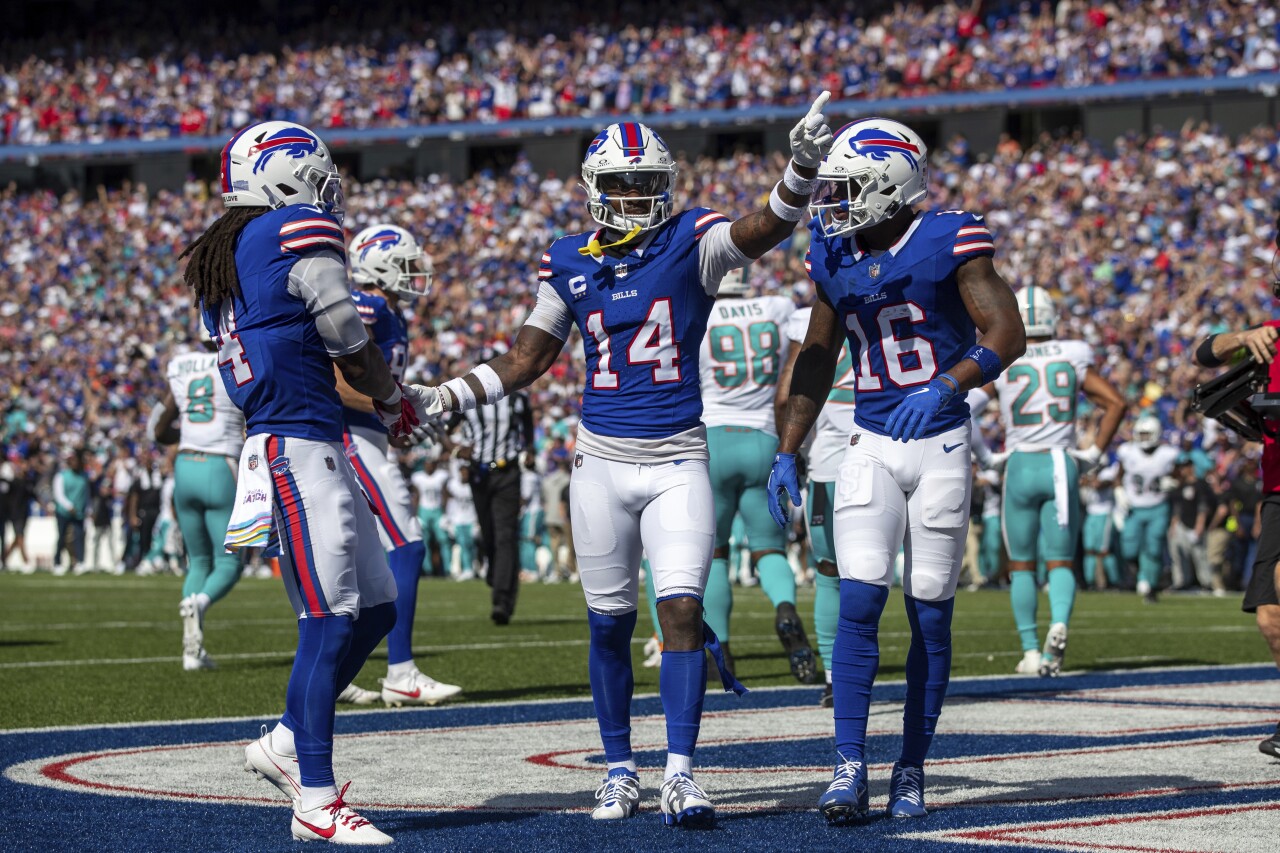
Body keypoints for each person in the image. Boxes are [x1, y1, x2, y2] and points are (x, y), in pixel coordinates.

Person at [408, 97, 835, 826]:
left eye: (647, 181)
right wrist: (450, 394)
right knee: (607, 622)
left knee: (681, 610)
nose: (637, 195)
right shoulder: (570, 259)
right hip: (601, 459)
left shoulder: (691, 239)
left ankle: (680, 771)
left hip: (677, 457)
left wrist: (798, 169)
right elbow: (526, 357)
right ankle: (616, 768)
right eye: (625, 183)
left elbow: (764, 228)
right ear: (596, 187)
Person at [768, 116, 1026, 823]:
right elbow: (817, 357)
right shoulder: (833, 251)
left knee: (930, 611)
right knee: (857, 599)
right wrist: (787, 447)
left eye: (849, 186)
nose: (833, 200)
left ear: (891, 183)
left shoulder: (949, 237)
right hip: (870, 439)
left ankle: (910, 764)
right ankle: (849, 763)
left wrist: (950, 383)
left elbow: (1008, 332)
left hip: (941, 440)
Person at [187, 120, 425, 845]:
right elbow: (349, 341)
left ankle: (286, 739)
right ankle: (315, 800)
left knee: (376, 608)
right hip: (296, 443)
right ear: (282, 175)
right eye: (314, 175)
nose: (326, 193)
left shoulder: (229, 252)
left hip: (306, 437)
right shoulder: (290, 231)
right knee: (328, 618)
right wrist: (393, 399)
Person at [968, 286, 1126, 676]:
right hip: (1060, 463)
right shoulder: (1073, 353)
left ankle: (1031, 650)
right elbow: (1116, 403)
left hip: (1020, 464)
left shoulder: (1005, 359)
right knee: (1059, 562)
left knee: (1021, 565)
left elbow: (965, 408)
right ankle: (1059, 630)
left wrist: (989, 458)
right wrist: (1092, 454)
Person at [336, 222, 460, 707]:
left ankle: (337, 670)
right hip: (351, 436)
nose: (415, 275)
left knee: (352, 560)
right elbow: (337, 378)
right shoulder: (366, 305)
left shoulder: (389, 311)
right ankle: (401, 671)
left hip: (364, 436)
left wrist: (395, 412)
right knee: (405, 544)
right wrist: (393, 407)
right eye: (406, 265)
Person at [698, 266, 817, 682]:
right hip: (765, 438)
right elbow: (812, 323)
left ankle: (723, 652)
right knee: (769, 549)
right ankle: (785, 608)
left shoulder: (703, 311)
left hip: (712, 437)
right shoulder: (778, 306)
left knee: (714, 553)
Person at [1192, 287, 1280, 758]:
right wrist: (1244, 337)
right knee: (1270, 616)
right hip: (1277, 494)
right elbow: (1202, 352)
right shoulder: (1270, 336)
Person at [776, 304, 857, 706]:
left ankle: (833, 676)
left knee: (829, 573)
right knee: (879, 576)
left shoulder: (807, 315)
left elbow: (783, 395)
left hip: (829, 462)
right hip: (883, 452)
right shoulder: (887, 292)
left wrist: (791, 450)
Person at [151, 338, 248, 670]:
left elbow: (159, 428)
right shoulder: (238, 358)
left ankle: (191, 653)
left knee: (198, 561)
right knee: (230, 563)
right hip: (222, 466)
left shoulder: (181, 365)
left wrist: (190, 436)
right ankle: (202, 603)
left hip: (186, 464)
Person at [1116, 415, 1181, 603]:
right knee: (1129, 549)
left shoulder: (1168, 454)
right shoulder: (1127, 451)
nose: (1144, 438)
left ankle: (1151, 587)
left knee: (1153, 548)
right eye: (1141, 434)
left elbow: (1180, 475)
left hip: (1158, 506)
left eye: (1147, 434)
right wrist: (1119, 492)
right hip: (1134, 507)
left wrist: (1174, 482)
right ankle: (1141, 575)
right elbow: (1118, 476)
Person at [1169, 457, 1212, 590]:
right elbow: (1177, 508)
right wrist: (1173, 525)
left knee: (1200, 555)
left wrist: (1200, 525)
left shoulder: (1200, 484)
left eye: (1186, 467)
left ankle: (1206, 583)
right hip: (1182, 523)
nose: (1183, 470)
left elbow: (1203, 506)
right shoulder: (1180, 486)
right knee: (1179, 554)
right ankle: (1181, 582)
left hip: (1195, 523)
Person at [52, 448, 90, 576]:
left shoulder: (83, 476)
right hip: (64, 512)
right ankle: (57, 562)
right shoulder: (61, 476)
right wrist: (69, 506)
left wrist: (87, 508)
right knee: (62, 537)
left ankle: (80, 562)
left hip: (79, 513)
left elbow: (86, 494)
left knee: (80, 537)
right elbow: (59, 495)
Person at [411, 456, 450, 577]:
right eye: (427, 464)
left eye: (431, 464)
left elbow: (445, 495)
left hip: (437, 510)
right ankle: (427, 569)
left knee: (443, 540)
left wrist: (445, 514)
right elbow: (416, 496)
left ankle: (448, 569)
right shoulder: (418, 477)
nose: (429, 466)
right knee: (424, 541)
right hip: (424, 510)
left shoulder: (441, 476)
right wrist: (416, 515)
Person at [445, 460, 477, 580]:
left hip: (471, 519)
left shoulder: (473, 486)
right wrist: (448, 518)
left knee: (472, 545)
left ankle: (473, 567)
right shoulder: (453, 485)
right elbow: (448, 500)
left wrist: (477, 522)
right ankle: (467, 569)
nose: (464, 474)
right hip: (458, 519)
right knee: (462, 544)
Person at [519, 452, 545, 580]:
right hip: (534, 510)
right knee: (528, 540)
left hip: (532, 511)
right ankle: (528, 569)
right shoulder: (537, 476)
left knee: (528, 540)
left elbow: (525, 496)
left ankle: (531, 570)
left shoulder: (529, 477)